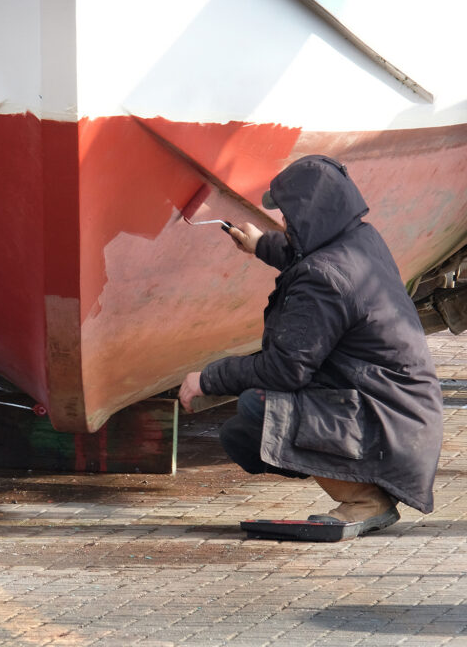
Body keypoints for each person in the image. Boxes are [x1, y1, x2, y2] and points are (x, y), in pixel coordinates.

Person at [179, 155, 443, 539]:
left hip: (386, 425)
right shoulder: (361, 240)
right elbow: (317, 256)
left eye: (288, 216)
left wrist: (207, 378)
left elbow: (284, 370)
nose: (285, 223)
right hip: (403, 419)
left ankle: (365, 499)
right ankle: (365, 484)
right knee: (241, 433)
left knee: (258, 407)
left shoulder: (323, 279)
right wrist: (261, 245)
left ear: (310, 214)